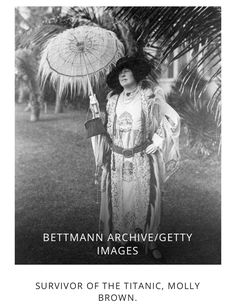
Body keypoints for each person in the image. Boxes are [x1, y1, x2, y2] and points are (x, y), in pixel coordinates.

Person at [88, 56, 180, 260]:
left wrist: (158, 138)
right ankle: (121, 238)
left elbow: (172, 118)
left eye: (126, 70)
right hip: (117, 160)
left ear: (136, 73)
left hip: (142, 158)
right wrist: (95, 111)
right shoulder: (113, 100)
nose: (122, 74)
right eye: (119, 72)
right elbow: (104, 132)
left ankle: (149, 240)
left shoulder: (149, 96)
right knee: (120, 198)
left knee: (145, 200)